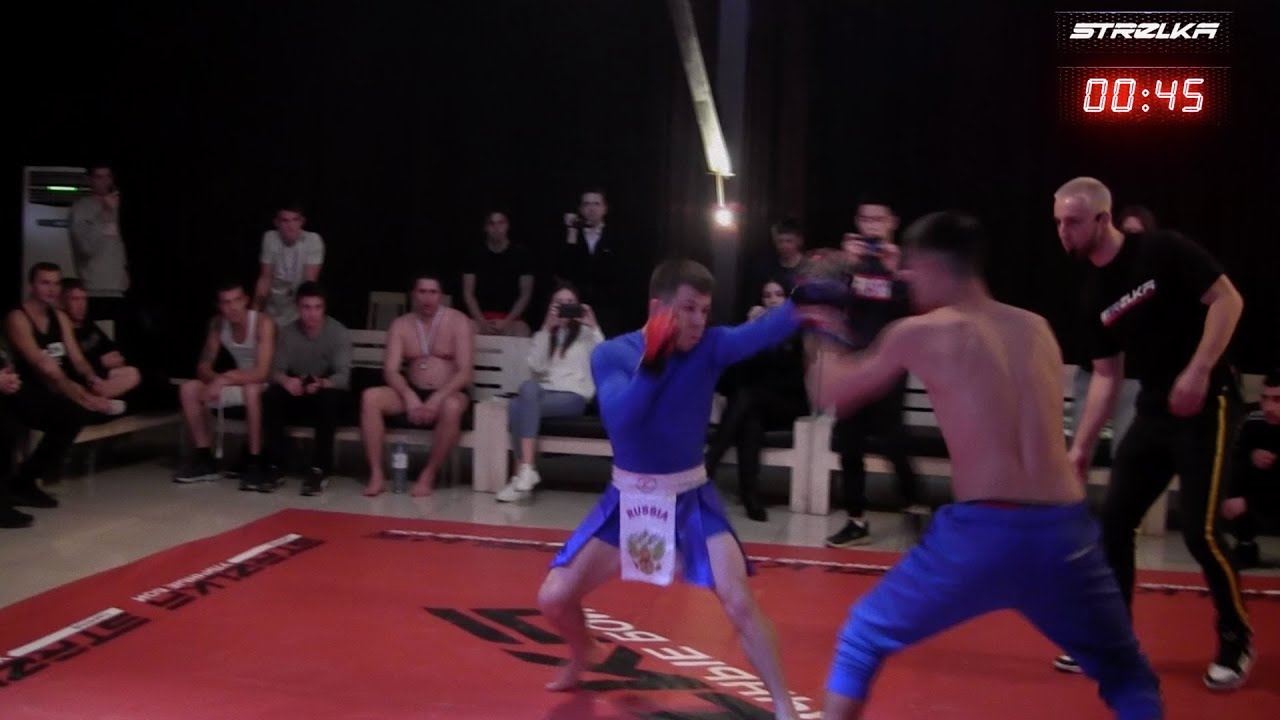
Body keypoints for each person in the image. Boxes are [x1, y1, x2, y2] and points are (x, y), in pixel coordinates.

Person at [804, 211, 1162, 720]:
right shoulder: (1036, 327)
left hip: (983, 533)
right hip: (1066, 532)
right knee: (1127, 673)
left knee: (863, 636)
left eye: (910, 270)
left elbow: (831, 394)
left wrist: (818, 321)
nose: (905, 280)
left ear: (932, 266)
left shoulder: (920, 331)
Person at [536, 260, 805, 719]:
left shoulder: (711, 346)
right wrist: (653, 363)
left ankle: (785, 708)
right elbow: (621, 421)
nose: (699, 320)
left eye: (704, 310)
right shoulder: (612, 354)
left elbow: (763, 331)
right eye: (688, 308)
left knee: (739, 601)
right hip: (627, 502)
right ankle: (583, 654)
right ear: (658, 309)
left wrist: (810, 296)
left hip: (690, 499)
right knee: (553, 599)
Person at [1053, 177, 1251, 690]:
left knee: (1201, 532)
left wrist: (1199, 370)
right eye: (1058, 223)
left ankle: (1235, 639)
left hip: (1209, 401)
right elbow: (1106, 374)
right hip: (1154, 408)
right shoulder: (1093, 292)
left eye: (1073, 222)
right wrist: (1080, 447)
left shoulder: (1162, 250)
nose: (1063, 232)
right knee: (1114, 522)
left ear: (1103, 219)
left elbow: (1228, 300)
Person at [826, 197, 921, 547]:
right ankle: (856, 519)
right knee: (849, 442)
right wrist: (846, 269)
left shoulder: (904, 262)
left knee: (892, 439)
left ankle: (913, 502)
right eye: (866, 219)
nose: (872, 226)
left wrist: (895, 274)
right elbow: (830, 306)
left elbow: (916, 312)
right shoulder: (848, 262)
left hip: (890, 362)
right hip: (852, 362)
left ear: (892, 221)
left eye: (879, 219)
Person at [360, 273, 473, 497]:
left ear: (441, 295)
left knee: (451, 406)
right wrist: (408, 395)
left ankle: (428, 474)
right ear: (413, 294)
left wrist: (437, 398)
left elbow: (465, 372)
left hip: (448, 391)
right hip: (411, 390)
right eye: (422, 292)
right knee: (370, 398)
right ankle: (376, 475)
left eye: (433, 292)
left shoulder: (458, 321)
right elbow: (390, 370)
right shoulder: (401, 325)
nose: (427, 298)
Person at [705, 279, 809, 522]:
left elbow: (793, 378)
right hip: (755, 407)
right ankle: (750, 496)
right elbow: (733, 378)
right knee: (750, 420)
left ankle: (711, 461)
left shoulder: (797, 329)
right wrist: (751, 332)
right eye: (767, 295)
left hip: (788, 404)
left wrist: (769, 335)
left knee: (747, 397)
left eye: (778, 295)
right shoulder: (753, 332)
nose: (772, 300)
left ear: (787, 300)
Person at [495, 284, 604, 503]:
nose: (565, 308)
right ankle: (526, 471)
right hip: (545, 393)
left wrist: (593, 326)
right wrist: (546, 328)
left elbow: (605, 357)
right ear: (551, 307)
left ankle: (521, 474)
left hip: (573, 396)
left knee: (518, 406)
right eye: (559, 303)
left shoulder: (585, 336)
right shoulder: (545, 334)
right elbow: (536, 367)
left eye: (570, 303)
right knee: (524, 391)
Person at [174, 282, 276, 487]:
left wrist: (223, 379)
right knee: (188, 389)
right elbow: (203, 367)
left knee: (251, 389)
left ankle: (255, 462)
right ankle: (204, 457)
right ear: (219, 306)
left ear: (246, 301)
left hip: (267, 385)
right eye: (226, 303)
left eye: (237, 301)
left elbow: (262, 372)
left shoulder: (262, 322)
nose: (232, 307)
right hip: (237, 380)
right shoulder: (218, 324)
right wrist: (216, 381)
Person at [257, 282, 352, 496]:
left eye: (317, 307)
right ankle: (274, 465)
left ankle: (320, 468)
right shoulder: (288, 333)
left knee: (329, 399)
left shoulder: (338, 333)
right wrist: (287, 381)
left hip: (325, 391)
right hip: (298, 390)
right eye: (306, 307)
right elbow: (275, 371)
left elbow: (343, 377)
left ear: (324, 308)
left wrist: (321, 383)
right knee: (271, 396)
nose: (312, 314)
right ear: (298, 308)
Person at [1220, 369, 1280, 568]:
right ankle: (1245, 542)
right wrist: (1250, 454)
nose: (1268, 407)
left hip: (1269, 494)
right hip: (1261, 487)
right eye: (1265, 398)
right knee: (1232, 470)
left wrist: (1249, 502)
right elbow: (1233, 455)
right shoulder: (1253, 419)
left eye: (1277, 400)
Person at [59, 278, 142, 401]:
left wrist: (116, 357)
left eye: (84, 299)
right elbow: (70, 369)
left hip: (104, 375)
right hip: (84, 380)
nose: (81, 305)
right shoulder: (63, 330)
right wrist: (100, 363)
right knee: (133, 377)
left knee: (136, 373)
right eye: (75, 299)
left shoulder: (87, 323)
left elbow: (108, 346)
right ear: (63, 301)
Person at [254, 204, 324, 326]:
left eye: (295, 220)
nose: (290, 226)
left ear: (302, 221)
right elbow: (265, 278)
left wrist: (307, 315)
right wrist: (254, 313)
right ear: (276, 223)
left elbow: (309, 283)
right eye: (285, 221)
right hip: (274, 304)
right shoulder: (270, 238)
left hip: (297, 306)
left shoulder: (313, 240)